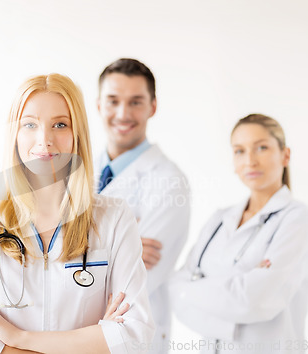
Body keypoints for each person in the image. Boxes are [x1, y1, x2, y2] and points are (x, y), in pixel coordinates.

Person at [0, 73, 155, 353]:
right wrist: (97, 339)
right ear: (15, 134)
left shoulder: (114, 218)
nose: (44, 140)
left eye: (60, 124)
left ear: (76, 134)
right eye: (29, 124)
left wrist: (17, 337)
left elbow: (135, 336)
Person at [170, 114, 308, 353]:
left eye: (261, 148)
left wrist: (199, 288)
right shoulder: (219, 219)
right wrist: (235, 297)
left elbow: (253, 300)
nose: (250, 160)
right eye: (239, 151)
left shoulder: (297, 218)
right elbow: (176, 291)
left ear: (285, 155)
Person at [95, 58, 190, 352]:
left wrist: (81, 243)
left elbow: (134, 281)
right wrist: (117, 246)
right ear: (99, 104)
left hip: (131, 338)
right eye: (113, 101)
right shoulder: (77, 172)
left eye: (136, 102)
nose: (123, 113)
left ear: (153, 106)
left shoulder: (169, 181)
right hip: (79, 335)